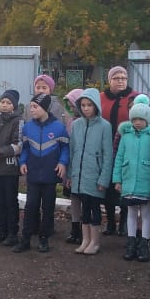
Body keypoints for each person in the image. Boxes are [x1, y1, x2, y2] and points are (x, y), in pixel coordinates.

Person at [111, 95, 150, 262]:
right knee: (131, 212)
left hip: (146, 181)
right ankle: (131, 242)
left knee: (146, 213)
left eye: (141, 119)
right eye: (135, 119)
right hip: (128, 180)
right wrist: (117, 179)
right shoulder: (126, 136)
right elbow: (119, 157)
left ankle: (144, 244)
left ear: (147, 119)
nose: (138, 122)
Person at [15, 93, 69, 253]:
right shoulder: (27, 127)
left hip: (50, 175)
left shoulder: (58, 127)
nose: (31, 110)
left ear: (44, 108)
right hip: (33, 175)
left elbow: (65, 148)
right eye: (30, 106)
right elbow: (25, 148)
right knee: (30, 206)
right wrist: (23, 162)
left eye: (35, 107)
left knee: (48, 207)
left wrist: (62, 162)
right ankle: (25, 239)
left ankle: (44, 239)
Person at [67, 88, 114, 256]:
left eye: (89, 105)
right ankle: (85, 240)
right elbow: (72, 151)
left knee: (95, 209)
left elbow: (108, 155)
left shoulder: (105, 126)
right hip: (79, 175)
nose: (86, 108)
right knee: (84, 209)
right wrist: (70, 174)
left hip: (95, 175)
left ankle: (95, 242)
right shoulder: (76, 125)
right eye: (83, 105)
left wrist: (104, 179)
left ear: (96, 106)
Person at [99, 66, 137, 235]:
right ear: (110, 80)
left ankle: (124, 222)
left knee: (125, 185)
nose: (120, 81)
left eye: (124, 78)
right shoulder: (101, 98)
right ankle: (110, 222)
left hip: (127, 148)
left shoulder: (134, 97)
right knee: (108, 185)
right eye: (116, 78)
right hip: (106, 147)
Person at [0, 89, 23, 246]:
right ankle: (2, 231)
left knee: (10, 202)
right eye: (2, 102)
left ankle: (13, 233)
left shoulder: (18, 121)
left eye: (8, 103)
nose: (4, 105)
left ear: (14, 106)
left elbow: (18, 145)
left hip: (10, 169)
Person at [62, 88, 84, 245]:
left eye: (72, 105)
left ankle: (85, 230)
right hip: (71, 165)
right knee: (74, 198)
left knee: (85, 200)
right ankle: (75, 228)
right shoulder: (70, 121)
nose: (71, 108)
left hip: (84, 166)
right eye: (68, 105)